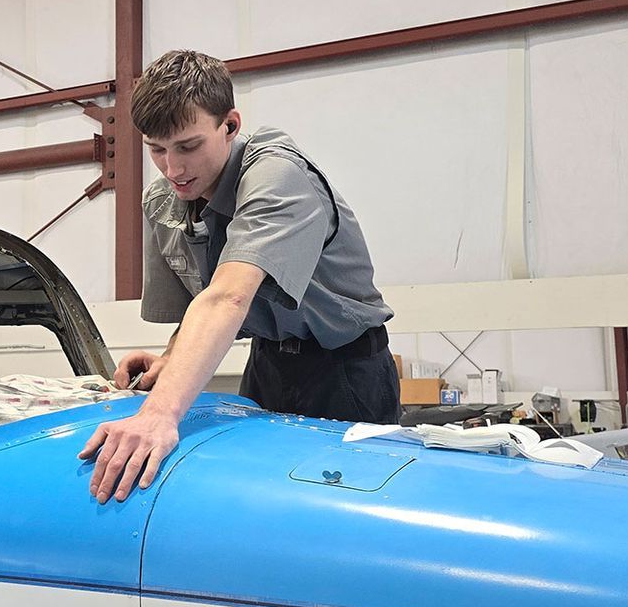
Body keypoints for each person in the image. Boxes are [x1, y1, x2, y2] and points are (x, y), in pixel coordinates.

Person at [83, 49, 396, 503]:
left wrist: (158, 415)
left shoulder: (278, 176)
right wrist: (170, 359)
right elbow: (199, 304)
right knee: (259, 500)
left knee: (350, 507)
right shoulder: (164, 200)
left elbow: (229, 296)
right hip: (267, 365)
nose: (173, 169)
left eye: (188, 146)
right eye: (157, 150)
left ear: (229, 125)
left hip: (346, 371)